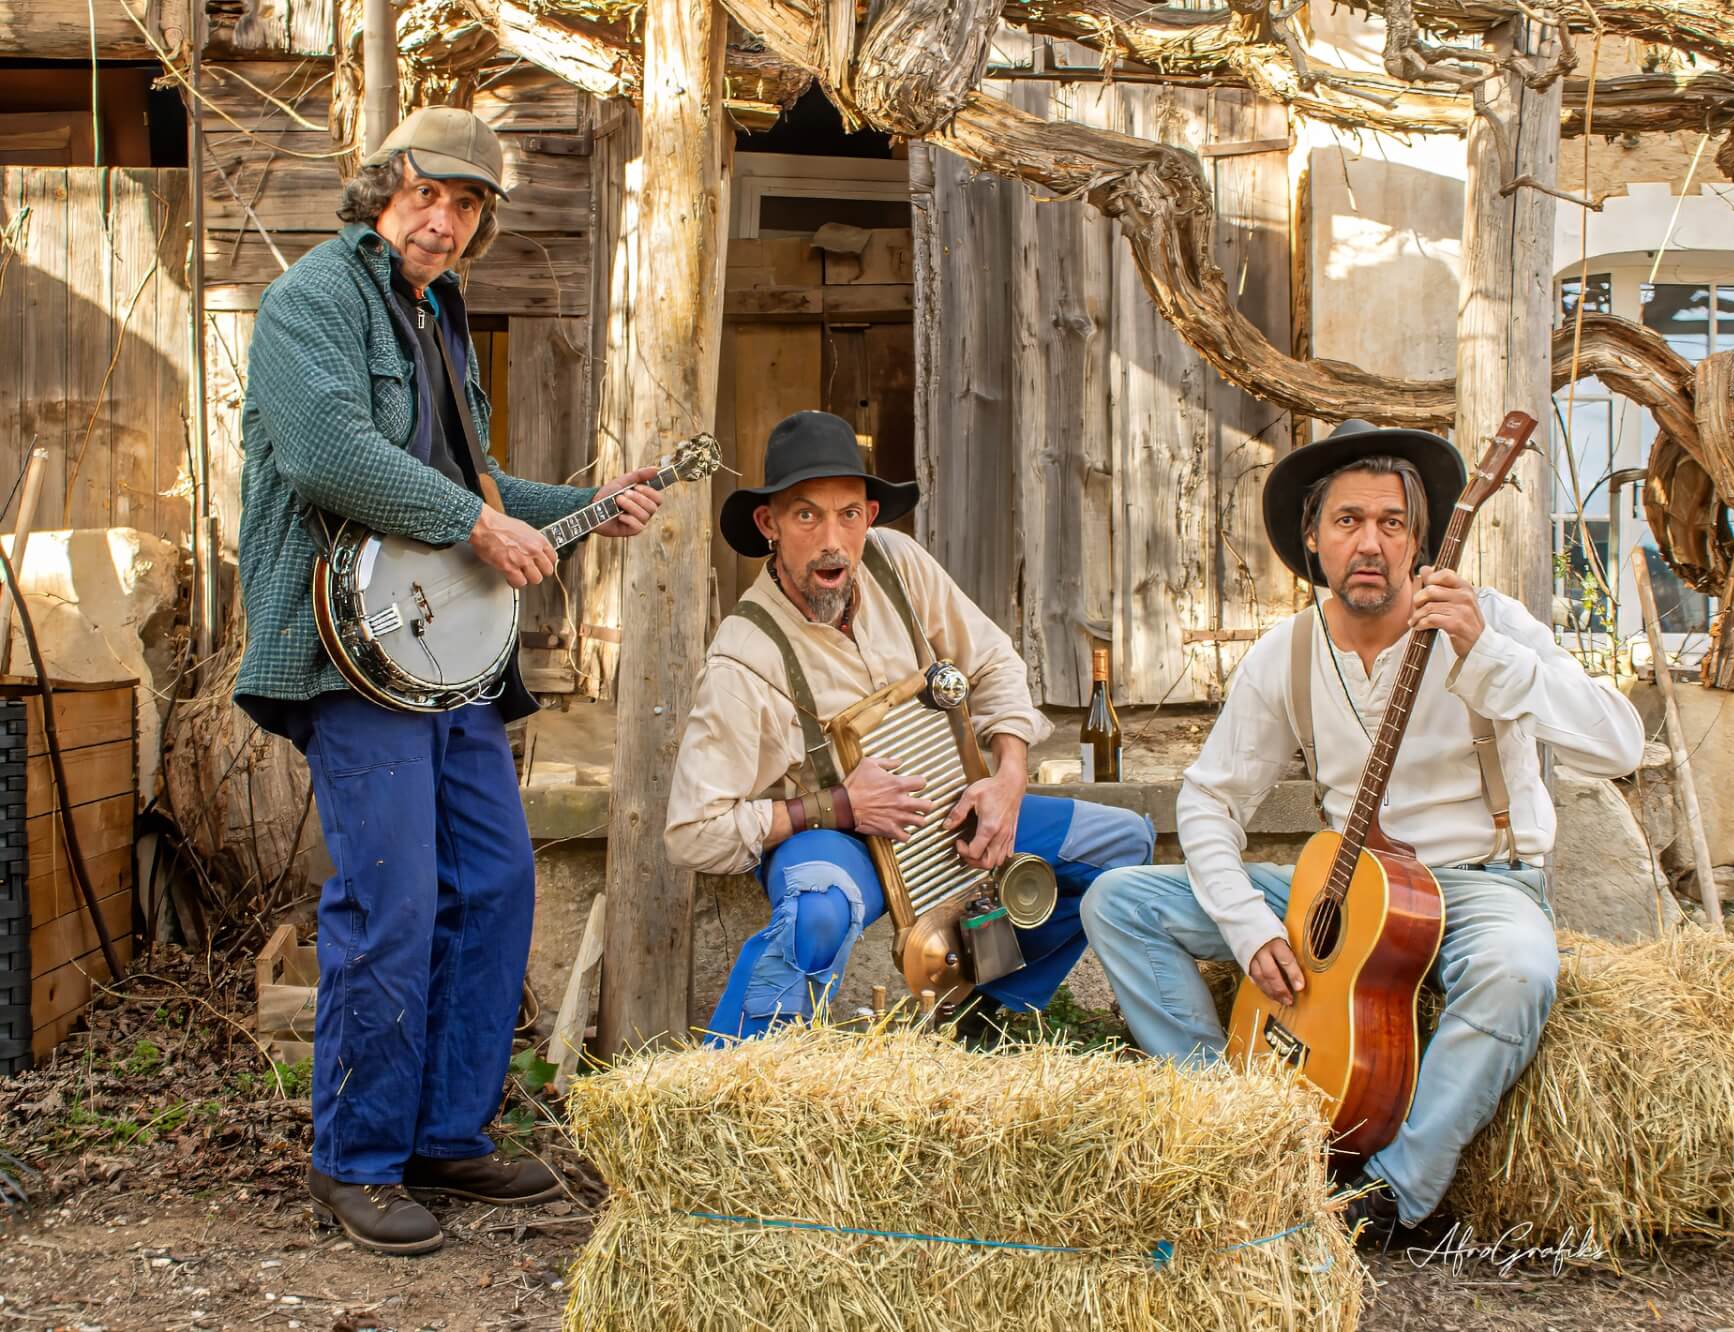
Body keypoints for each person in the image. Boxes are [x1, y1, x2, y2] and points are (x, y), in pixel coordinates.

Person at [234, 107, 663, 1255]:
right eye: (428, 192)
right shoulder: (311, 303)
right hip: (346, 648)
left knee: (495, 883)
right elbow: (331, 453)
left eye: (468, 204)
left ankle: (444, 1135)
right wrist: (479, 523)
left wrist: (579, 510)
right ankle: (356, 1160)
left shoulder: (438, 319)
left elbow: (463, 479)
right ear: (384, 190)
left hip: (444, 661)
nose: (445, 217)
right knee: (394, 902)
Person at [1080, 418, 1644, 1240]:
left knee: (1522, 969)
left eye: (1391, 522)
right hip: (1345, 887)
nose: (1370, 543)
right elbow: (1208, 799)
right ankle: (1234, 1128)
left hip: (1475, 887)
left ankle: (1393, 1196)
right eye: (1348, 522)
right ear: (1313, 541)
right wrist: (1246, 927)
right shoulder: (1287, 654)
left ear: (1421, 539)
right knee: (1118, 901)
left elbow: (1620, 743)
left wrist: (1485, 653)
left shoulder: (1490, 623)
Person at [665, 411, 1155, 1039]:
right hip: (841, 843)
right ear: (770, 525)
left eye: (849, 514)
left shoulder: (898, 563)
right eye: (806, 515)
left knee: (1123, 848)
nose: (832, 542)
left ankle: (984, 1023)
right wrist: (838, 805)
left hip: (953, 813)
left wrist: (1007, 779)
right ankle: (731, 1088)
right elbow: (691, 832)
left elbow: (994, 661)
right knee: (816, 913)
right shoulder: (744, 657)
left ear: (870, 516)